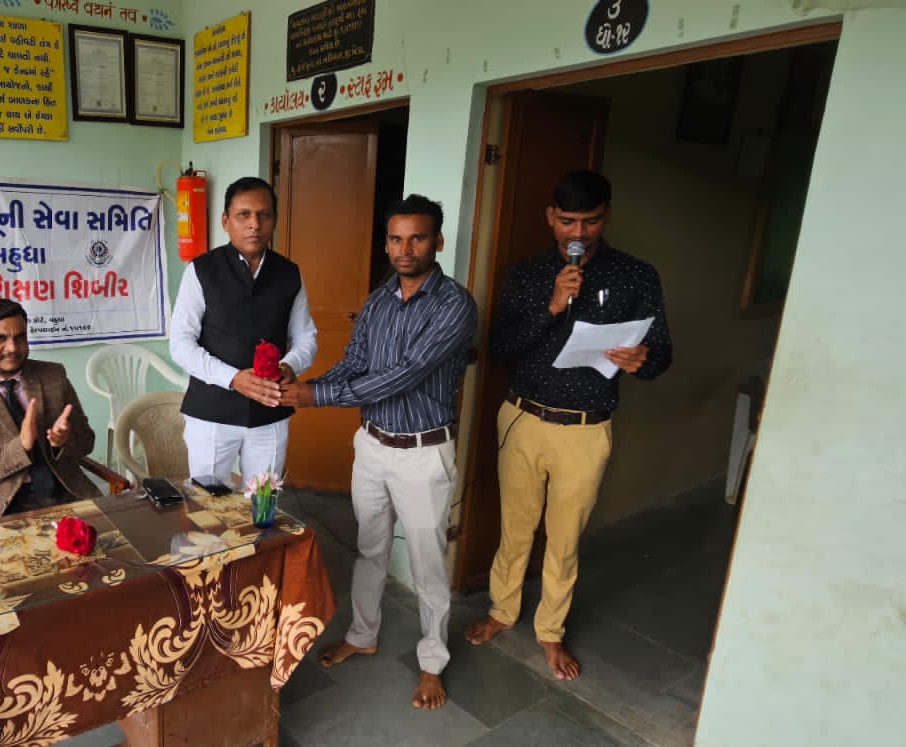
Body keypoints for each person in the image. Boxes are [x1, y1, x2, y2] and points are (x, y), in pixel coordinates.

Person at [463, 170, 673, 680]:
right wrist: (552, 306)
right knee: (515, 527)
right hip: (524, 418)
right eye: (567, 221)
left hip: (585, 427)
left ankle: (551, 630)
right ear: (550, 217)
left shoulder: (636, 276)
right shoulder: (527, 275)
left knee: (564, 537)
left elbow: (663, 353)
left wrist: (643, 360)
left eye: (591, 222)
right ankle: (502, 610)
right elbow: (500, 349)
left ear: (606, 217)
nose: (578, 233)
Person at [279, 194, 477, 711]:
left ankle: (432, 662)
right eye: (395, 238)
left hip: (422, 453)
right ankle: (363, 635)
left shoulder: (455, 305)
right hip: (371, 446)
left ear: (437, 241)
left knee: (429, 565)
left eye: (416, 238)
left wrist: (318, 397)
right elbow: (355, 361)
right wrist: (307, 385)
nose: (404, 248)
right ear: (386, 244)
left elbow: (405, 374)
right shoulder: (378, 300)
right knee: (370, 549)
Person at [170, 176, 317, 485]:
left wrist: (290, 365)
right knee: (207, 503)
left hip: (270, 411)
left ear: (274, 220)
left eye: (264, 215)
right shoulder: (202, 270)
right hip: (211, 413)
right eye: (244, 215)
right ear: (226, 221)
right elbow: (181, 344)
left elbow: (305, 337)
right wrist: (233, 378)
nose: (255, 225)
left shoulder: (289, 273)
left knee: (264, 500)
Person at [0, 299, 98, 518]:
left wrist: (63, 441)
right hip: (3, 507)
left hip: (67, 493)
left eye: (20, 337)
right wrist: (19, 448)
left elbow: (87, 442)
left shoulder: (53, 376)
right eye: (0, 339)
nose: (12, 348)